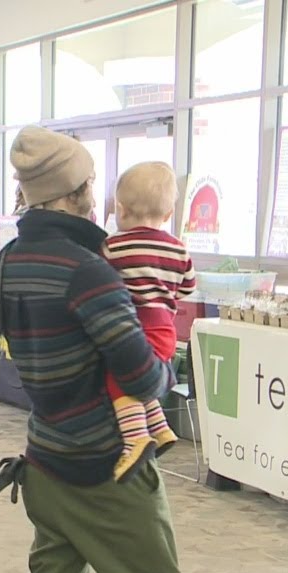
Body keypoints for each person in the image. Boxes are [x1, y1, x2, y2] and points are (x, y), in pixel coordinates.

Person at [0, 127, 201, 573]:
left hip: (45, 458)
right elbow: (142, 379)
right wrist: (163, 333)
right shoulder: (87, 269)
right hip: (109, 468)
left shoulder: (9, 259)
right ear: (77, 190)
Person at [103, 162, 197, 479]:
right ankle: (159, 427)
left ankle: (135, 439)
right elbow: (188, 286)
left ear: (121, 209)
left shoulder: (113, 246)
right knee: (142, 377)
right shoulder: (178, 248)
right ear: (169, 214)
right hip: (165, 329)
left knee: (118, 376)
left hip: (133, 325)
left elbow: (100, 282)